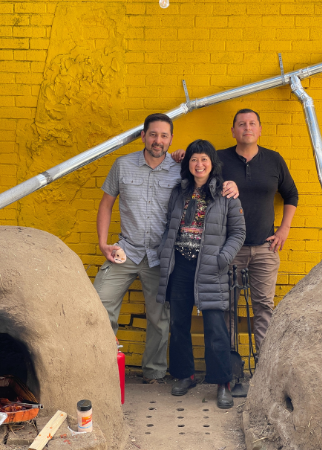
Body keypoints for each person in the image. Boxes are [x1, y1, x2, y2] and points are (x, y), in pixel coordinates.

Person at [95, 113, 238, 385]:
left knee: (160, 318)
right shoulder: (122, 165)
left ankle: (154, 372)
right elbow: (106, 204)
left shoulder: (180, 169)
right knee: (100, 305)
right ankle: (101, 370)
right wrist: (103, 244)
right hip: (125, 249)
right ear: (143, 136)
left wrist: (230, 183)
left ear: (171, 140)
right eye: (153, 134)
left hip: (161, 256)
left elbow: (207, 180)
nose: (157, 140)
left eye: (163, 136)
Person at [156, 139, 246, 409]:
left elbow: (239, 233)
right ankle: (186, 376)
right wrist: (165, 252)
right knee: (179, 325)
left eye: (204, 159)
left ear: (212, 164)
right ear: (188, 164)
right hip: (180, 266)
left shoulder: (226, 194)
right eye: (194, 159)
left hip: (211, 268)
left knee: (215, 329)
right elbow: (169, 227)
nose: (199, 164)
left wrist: (223, 258)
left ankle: (222, 383)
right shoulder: (179, 192)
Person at [218, 109, 299, 396]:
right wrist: (182, 156)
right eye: (241, 124)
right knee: (227, 308)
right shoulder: (220, 159)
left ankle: (263, 374)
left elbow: (291, 195)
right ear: (233, 131)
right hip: (228, 249)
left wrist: (284, 230)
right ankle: (229, 374)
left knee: (264, 307)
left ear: (260, 130)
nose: (247, 128)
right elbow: (197, 181)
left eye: (252, 123)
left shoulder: (273, 159)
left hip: (265, 249)